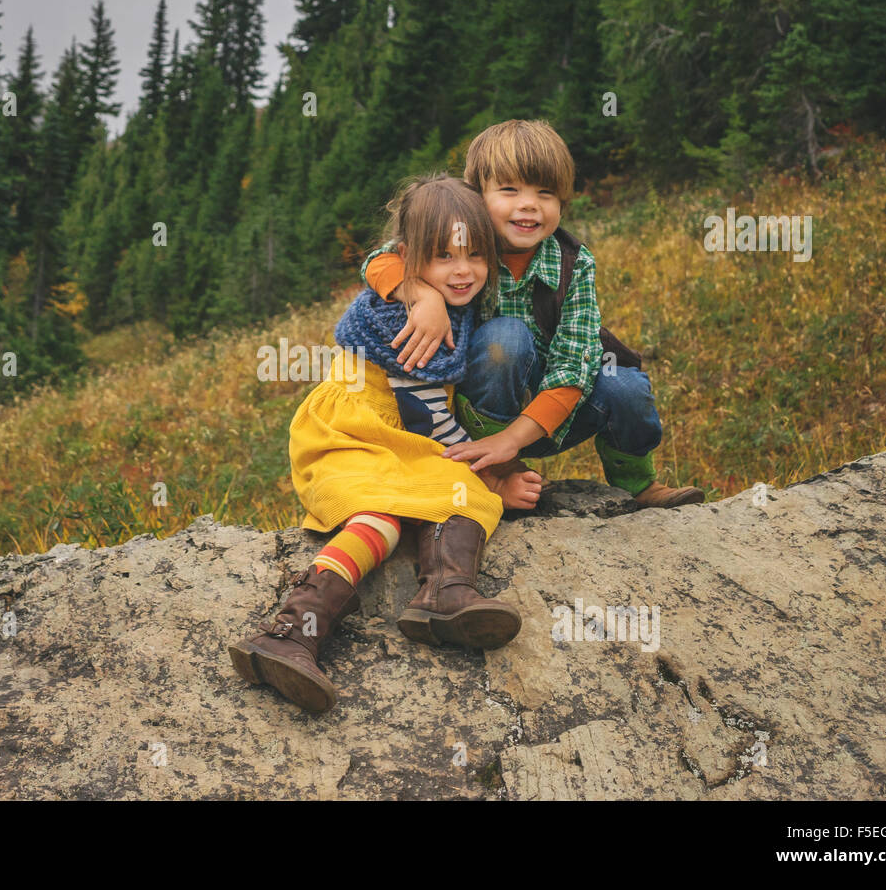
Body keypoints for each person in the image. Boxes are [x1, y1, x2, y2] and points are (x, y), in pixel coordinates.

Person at [228, 174, 534, 714]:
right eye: (443, 257)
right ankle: (291, 631)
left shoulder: (434, 298)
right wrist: (492, 474)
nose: (462, 271)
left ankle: (443, 594)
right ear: (410, 257)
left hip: (388, 435)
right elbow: (427, 416)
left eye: (475, 256)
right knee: (391, 514)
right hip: (351, 434)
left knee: (441, 496)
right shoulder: (408, 318)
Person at [359, 119, 705, 507]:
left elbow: (574, 367)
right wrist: (423, 296)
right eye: (509, 190)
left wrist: (514, 437)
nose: (529, 204)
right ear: (476, 195)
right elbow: (381, 259)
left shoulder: (575, 263)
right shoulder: (459, 244)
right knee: (506, 338)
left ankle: (638, 484)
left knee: (624, 385)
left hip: (559, 408)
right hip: (477, 410)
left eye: (546, 193)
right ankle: (497, 473)